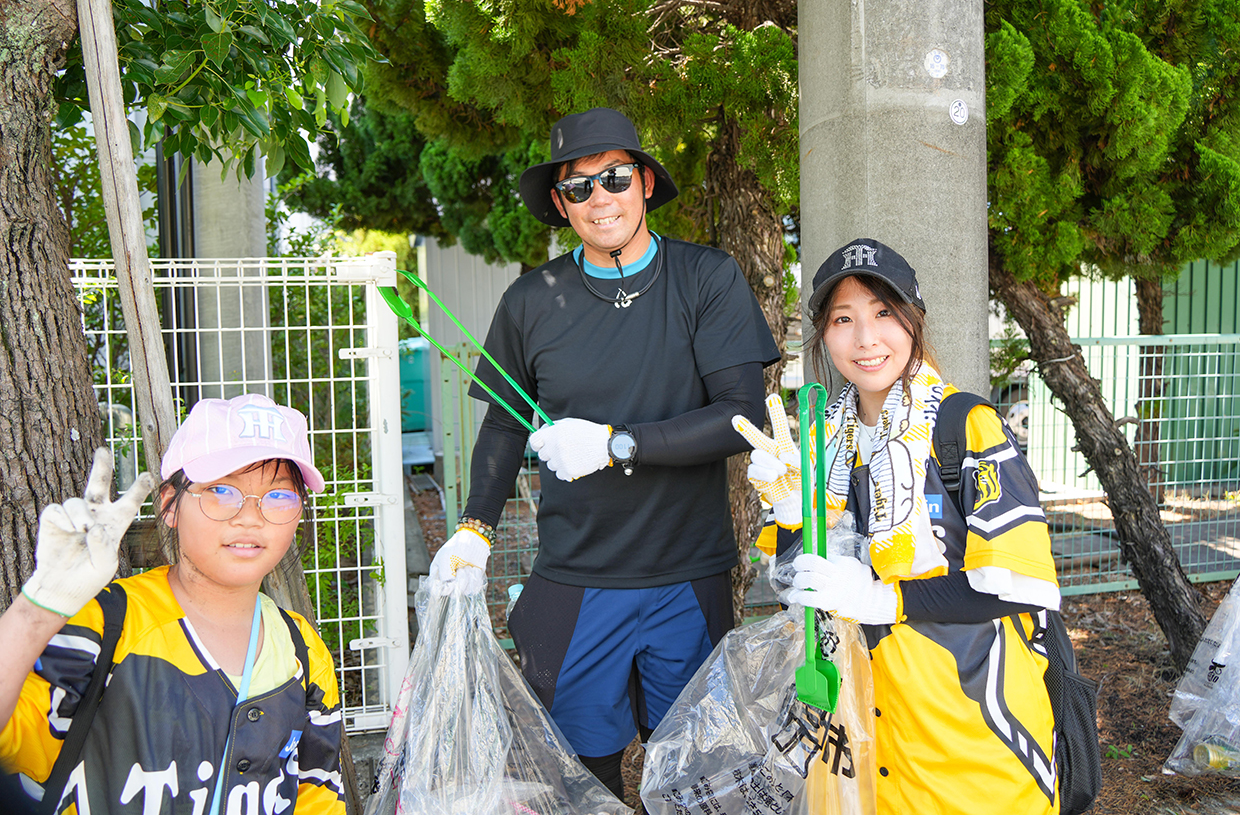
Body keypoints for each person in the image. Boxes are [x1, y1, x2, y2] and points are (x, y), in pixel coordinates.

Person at [427, 107, 780, 799]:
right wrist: (473, 530)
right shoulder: (533, 299)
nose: (600, 198)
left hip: (687, 571)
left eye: (614, 177)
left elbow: (739, 414)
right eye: (579, 187)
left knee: (693, 774)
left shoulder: (706, 277)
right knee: (578, 777)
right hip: (578, 575)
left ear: (645, 182)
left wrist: (619, 445)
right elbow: (502, 425)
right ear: (561, 204)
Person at [739, 239, 1063, 814]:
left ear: (914, 321)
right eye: (844, 319)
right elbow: (797, 582)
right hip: (856, 735)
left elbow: (1018, 588)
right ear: (823, 335)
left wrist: (882, 600)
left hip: (968, 737)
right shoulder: (822, 439)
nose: (865, 339)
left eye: (884, 313)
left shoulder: (965, 426)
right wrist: (792, 514)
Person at [0, 394, 346, 814]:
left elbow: (317, 798)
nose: (250, 517)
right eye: (221, 490)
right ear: (169, 505)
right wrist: (38, 608)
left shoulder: (302, 651)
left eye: (278, 496)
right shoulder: (106, 625)